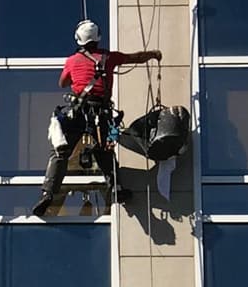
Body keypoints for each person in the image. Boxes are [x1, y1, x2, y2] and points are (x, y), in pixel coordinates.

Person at [32, 20, 161, 216]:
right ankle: (116, 188)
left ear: (78, 39)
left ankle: (48, 193)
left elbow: (62, 82)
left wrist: (77, 73)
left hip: (77, 111)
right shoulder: (109, 57)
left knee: (60, 153)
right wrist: (153, 54)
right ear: (98, 38)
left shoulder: (72, 61)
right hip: (100, 114)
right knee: (104, 152)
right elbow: (134, 57)